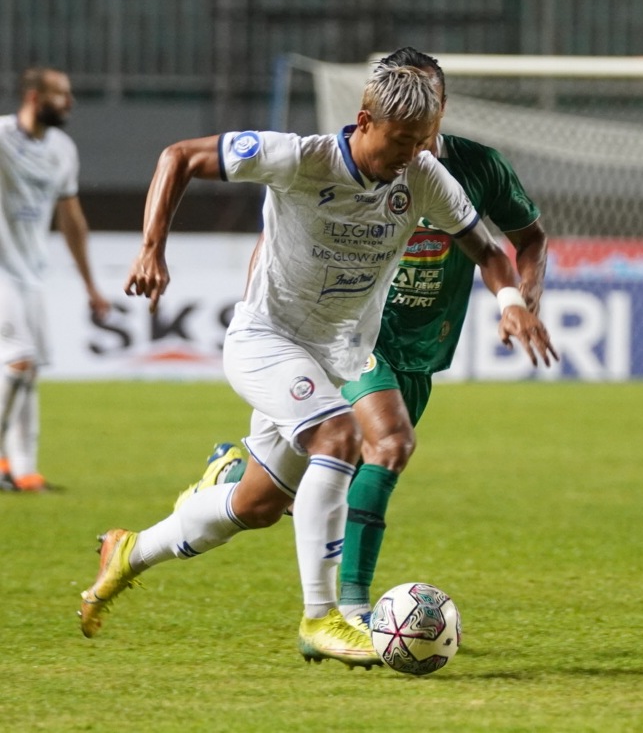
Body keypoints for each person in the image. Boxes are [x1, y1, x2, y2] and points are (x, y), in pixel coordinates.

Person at [78, 61, 557, 668]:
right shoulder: (299, 158)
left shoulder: (425, 175)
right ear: (365, 121)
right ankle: (324, 616)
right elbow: (179, 157)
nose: (413, 156)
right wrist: (151, 248)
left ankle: (128, 552)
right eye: (403, 141)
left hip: (333, 357)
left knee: (254, 507)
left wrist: (513, 302)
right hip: (265, 340)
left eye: (424, 142)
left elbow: (488, 250)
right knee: (342, 436)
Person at [0, 67, 110, 493]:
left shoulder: (62, 149)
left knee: (28, 371)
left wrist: (90, 285)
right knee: (20, 358)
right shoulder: (3, 137)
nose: (70, 102)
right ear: (34, 97)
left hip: (31, 272)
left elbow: (71, 220)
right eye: (61, 94)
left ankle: (23, 471)